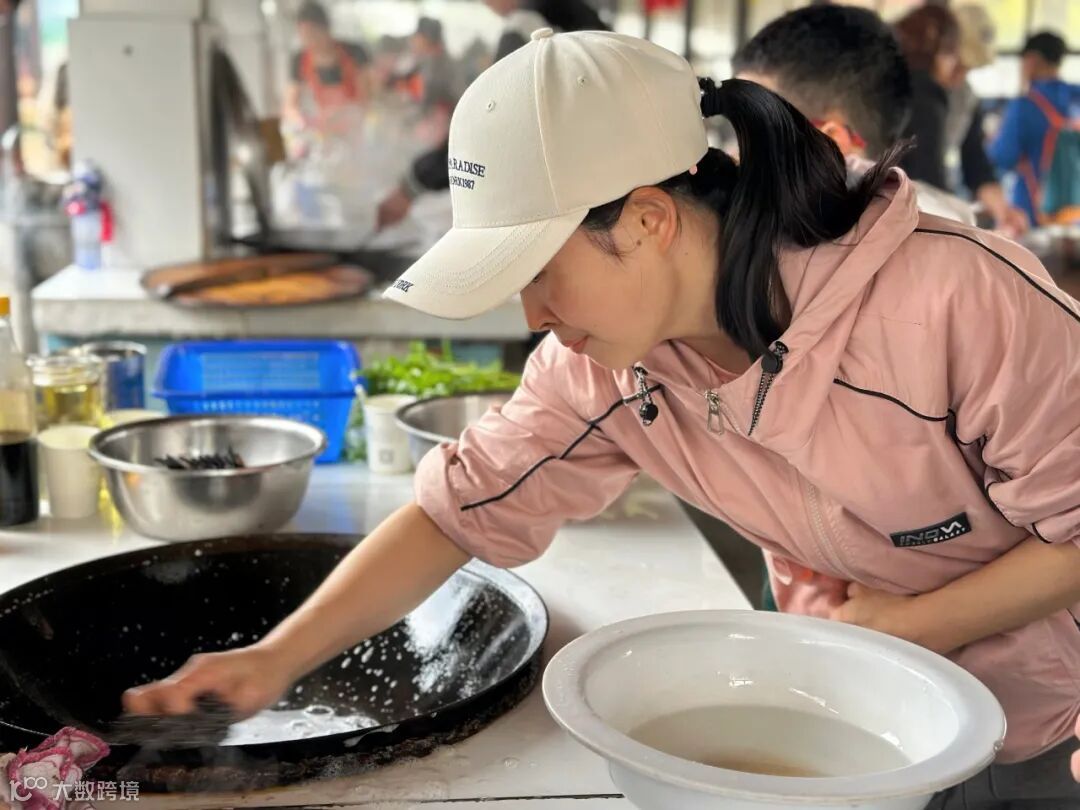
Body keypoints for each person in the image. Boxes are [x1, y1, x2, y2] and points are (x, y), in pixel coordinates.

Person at [126, 31, 1080, 806]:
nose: (532, 315)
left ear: (647, 219)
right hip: (848, 716)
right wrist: (272, 661)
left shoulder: (954, 302)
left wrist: (913, 625)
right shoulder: (605, 368)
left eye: (540, 271)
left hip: (1046, 732)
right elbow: (459, 511)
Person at [732, 4, 976, 226]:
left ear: (830, 145)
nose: (732, 156)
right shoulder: (953, 237)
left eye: (753, 133)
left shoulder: (754, 238)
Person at [375, 0, 608, 230]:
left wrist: (415, 182)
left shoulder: (525, 25)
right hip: (599, 178)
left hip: (563, 195)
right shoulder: (582, 17)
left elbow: (492, 122)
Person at [894, 6, 1027, 236]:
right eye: (956, 62)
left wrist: (1003, 211)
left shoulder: (965, 97)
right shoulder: (914, 93)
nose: (959, 74)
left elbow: (975, 161)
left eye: (968, 68)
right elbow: (925, 174)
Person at [989, 31, 1080, 226]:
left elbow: (1003, 157)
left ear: (1031, 60)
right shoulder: (1076, 97)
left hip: (1033, 215)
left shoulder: (1025, 106)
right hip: (1075, 214)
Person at [281, 0, 372, 137]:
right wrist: (303, 121)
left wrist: (348, 117)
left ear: (326, 29)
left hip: (357, 129)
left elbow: (368, 98)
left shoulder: (355, 52)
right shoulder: (299, 60)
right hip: (322, 131)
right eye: (304, 36)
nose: (310, 41)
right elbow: (289, 106)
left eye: (313, 34)